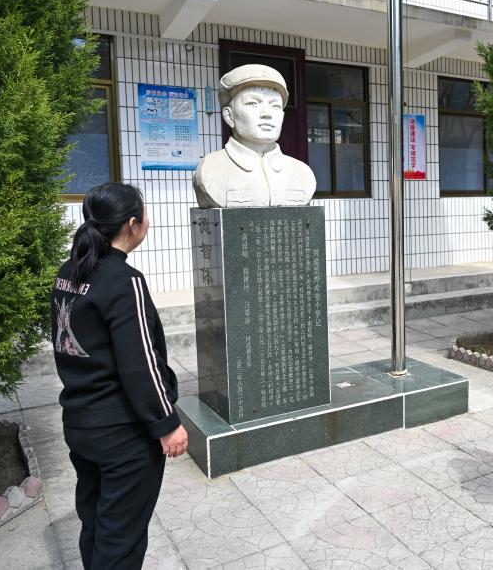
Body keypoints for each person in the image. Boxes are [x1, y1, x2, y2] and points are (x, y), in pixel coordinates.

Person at [51, 182, 187, 569]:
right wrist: (167, 423)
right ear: (132, 223)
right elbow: (141, 362)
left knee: (96, 522)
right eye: (144, 213)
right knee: (120, 539)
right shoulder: (125, 281)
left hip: (80, 421)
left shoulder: (69, 272)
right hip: (122, 433)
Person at [192, 63, 316, 208]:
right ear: (229, 116)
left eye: (275, 105)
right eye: (253, 103)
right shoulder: (211, 170)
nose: (267, 114)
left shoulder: (303, 174)